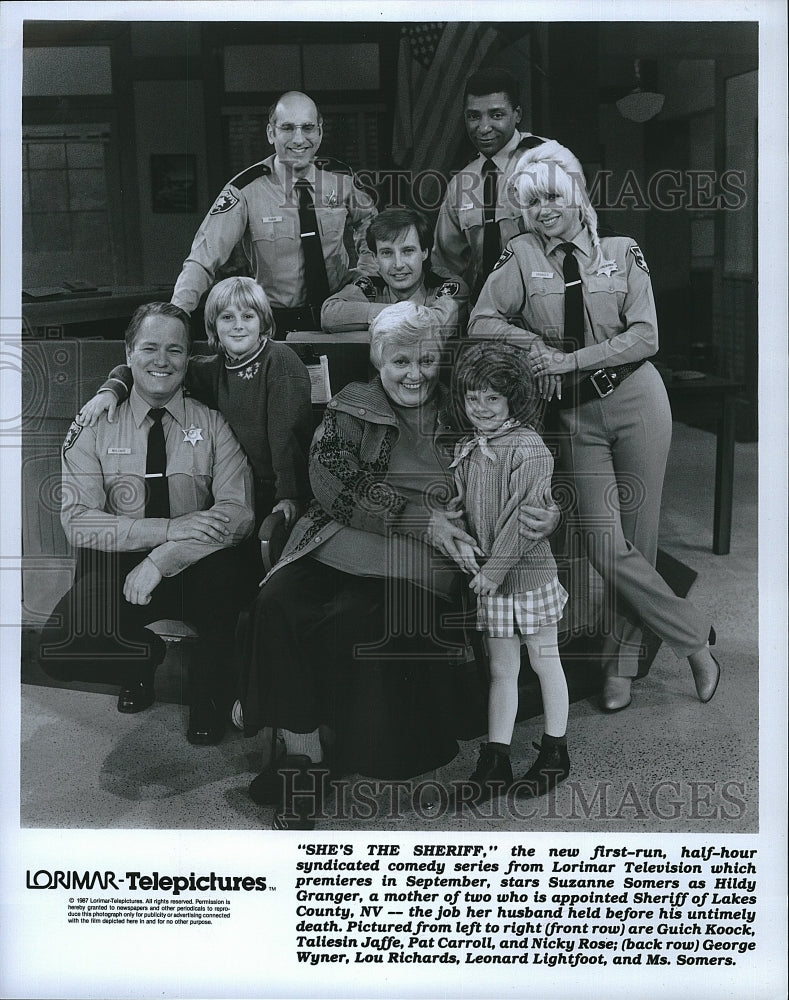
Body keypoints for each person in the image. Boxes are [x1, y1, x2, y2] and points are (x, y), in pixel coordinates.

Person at [237, 302, 560, 829]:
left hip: (421, 563)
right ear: (377, 359)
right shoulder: (351, 403)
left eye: (427, 361)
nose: (415, 375)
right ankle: (305, 756)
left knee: (355, 620)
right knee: (274, 605)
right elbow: (329, 480)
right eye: (400, 362)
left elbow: (529, 466)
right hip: (333, 539)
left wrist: (550, 512)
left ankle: (341, 754)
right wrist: (415, 517)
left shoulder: (468, 408)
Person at [468, 139, 721, 713]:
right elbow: (483, 318)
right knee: (607, 548)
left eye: (553, 196)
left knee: (642, 541)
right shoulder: (521, 255)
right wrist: (532, 343)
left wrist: (570, 360)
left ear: (578, 196)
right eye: (532, 204)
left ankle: (623, 666)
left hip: (637, 401)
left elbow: (646, 336)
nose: (544, 211)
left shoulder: (623, 251)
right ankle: (694, 637)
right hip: (575, 415)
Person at [39, 302, 256, 746]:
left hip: (197, 561)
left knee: (226, 579)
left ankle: (209, 696)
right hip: (121, 559)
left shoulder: (212, 423)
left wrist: (163, 558)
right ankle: (142, 661)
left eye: (174, 350)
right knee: (58, 649)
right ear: (128, 353)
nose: (162, 361)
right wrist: (165, 531)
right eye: (150, 348)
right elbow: (79, 521)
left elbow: (239, 514)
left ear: (187, 358)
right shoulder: (95, 423)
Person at [77, 277, 313, 538]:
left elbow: (288, 438)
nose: (238, 326)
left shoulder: (279, 363)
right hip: (240, 486)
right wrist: (112, 388)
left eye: (248, 316)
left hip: (283, 491)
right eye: (227, 318)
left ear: (264, 322)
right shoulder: (215, 368)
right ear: (213, 325)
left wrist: (291, 496)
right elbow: (152, 370)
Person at [449, 342, 570, 803]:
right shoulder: (467, 449)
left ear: (513, 400)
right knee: (501, 670)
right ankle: (497, 757)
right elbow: (460, 506)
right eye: (472, 397)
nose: (479, 407)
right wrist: (459, 537)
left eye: (492, 399)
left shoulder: (530, 449)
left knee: (545, 662)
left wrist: (495, 571)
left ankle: (556, 750)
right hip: (490, 582)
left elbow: (526, 518)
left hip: (526, 579)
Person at [171, 91, 378, 333]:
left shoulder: (340, 178)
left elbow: (372, 224)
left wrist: (367, 275)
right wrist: (177, 315)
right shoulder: (244, 191)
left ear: (320, 132)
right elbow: (203, 257)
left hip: (340, 319)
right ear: (271, 133)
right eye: (288, 128)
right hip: (278, 326)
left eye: (308, 128)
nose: (299, 139)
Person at [431, 68, 545, 299]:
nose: (483, 128)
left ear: (517, 114)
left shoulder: (547, 161)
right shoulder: (461, 183)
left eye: (496, 115)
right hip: (483, 312)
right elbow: (447, 266)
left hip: (544, 306)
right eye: (474, 116)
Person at [320, 207, 468, 337]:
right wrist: (398, 311)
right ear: (375, 258)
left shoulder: (446, 285)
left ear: (424, 252)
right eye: (386, 253)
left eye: (408, 251)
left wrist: (379, 315)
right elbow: (330, 314)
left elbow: (435, 324)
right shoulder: (371, 284)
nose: (398, 264)